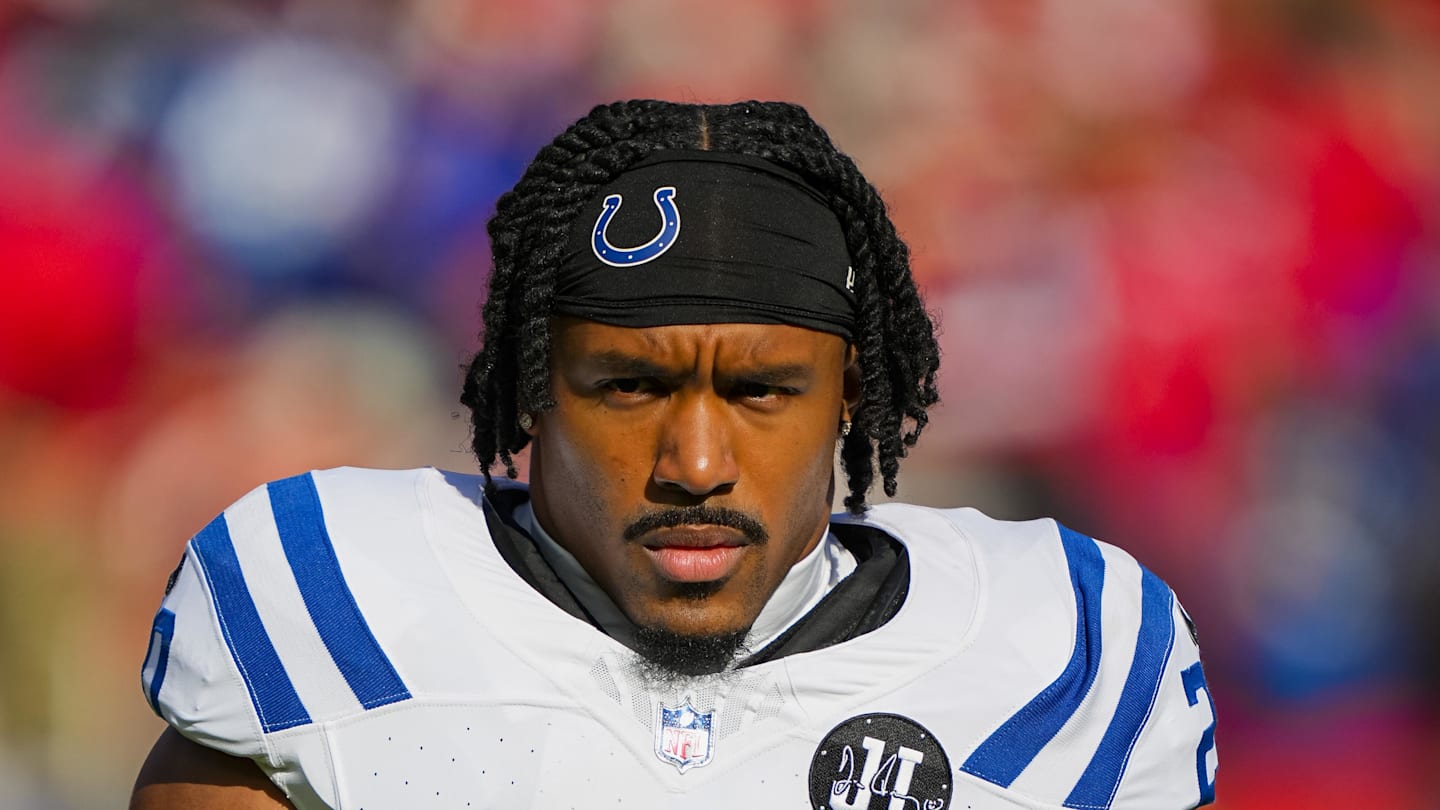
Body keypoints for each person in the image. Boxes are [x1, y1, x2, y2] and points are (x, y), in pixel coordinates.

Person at [131, 99, 1217, 809]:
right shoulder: (330, 602)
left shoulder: (1068, 654)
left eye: (760, 392)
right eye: (631, 386)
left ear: (850, 397)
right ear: (530, 393)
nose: (695, 463)